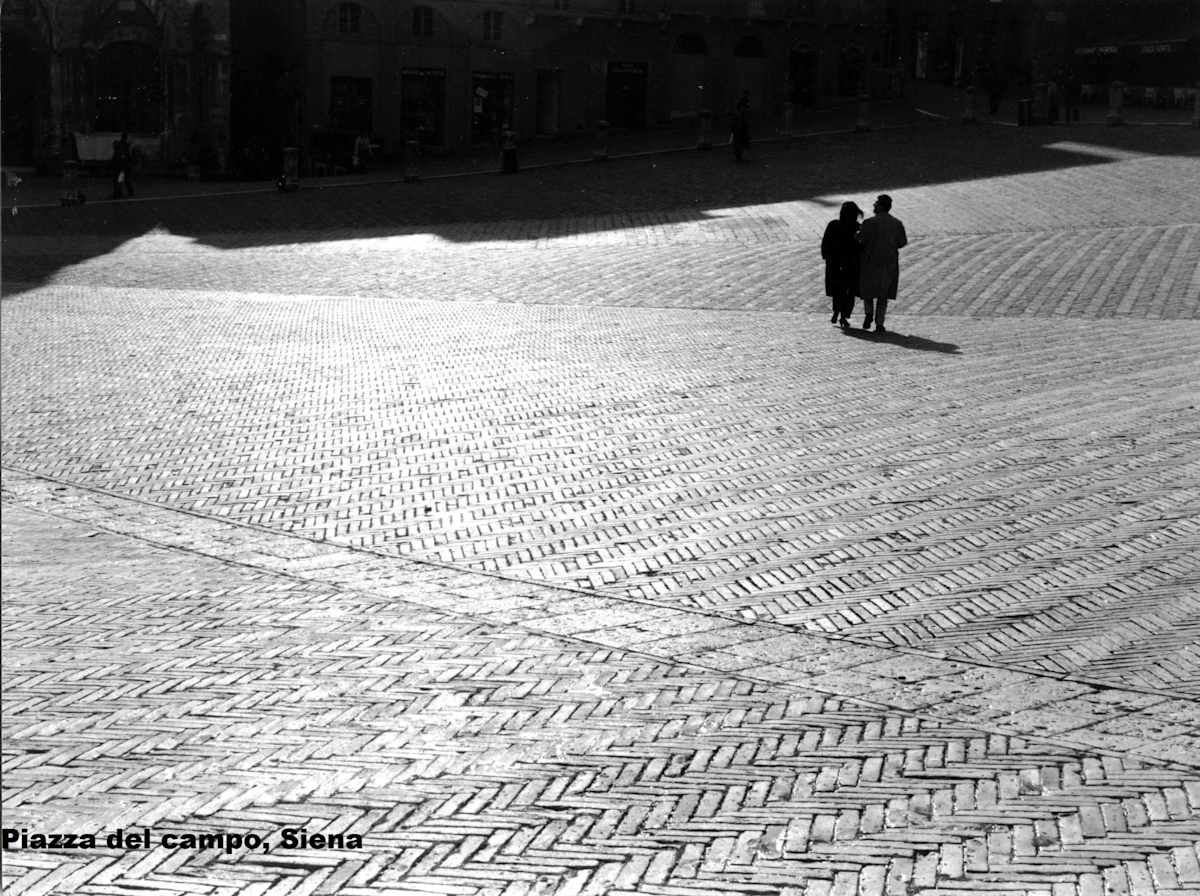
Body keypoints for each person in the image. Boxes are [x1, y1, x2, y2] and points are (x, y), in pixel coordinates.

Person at [857, 194, 907, 334]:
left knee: (868, 291)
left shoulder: (868, 223)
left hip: (870, 261)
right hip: (888, 262)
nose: (874, 205)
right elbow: (902, 242)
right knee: (883, 294)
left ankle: (868, 313)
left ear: (880, 206)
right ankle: (880, 323)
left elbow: (860, 240)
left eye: (876, 203)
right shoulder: (897, 223)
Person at [821, 201, 863, 329]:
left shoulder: (834, 225)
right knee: (849, 291)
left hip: (835, 263)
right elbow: (861, 246)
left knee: (837, 290)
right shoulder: (857, 227)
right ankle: (844, 316)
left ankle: (836, 311)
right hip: (851, 264)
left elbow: (825, 243)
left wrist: (827, 257)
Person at [111, 132, 134, 198]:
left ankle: (119, 193)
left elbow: (118, 157)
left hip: (121, 167)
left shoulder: (120, 146)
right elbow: (127, 156)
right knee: (125, 180)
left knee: (120, 180)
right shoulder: (125, 145)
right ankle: (129, 192)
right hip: (124, 166)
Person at [731, 90, 751, 162]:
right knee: (739, 141)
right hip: (739, 128)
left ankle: (739, 154)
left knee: (740, 141)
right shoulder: (742, 105)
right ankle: (738, 154)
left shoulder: (744, 104)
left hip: (741, 128)